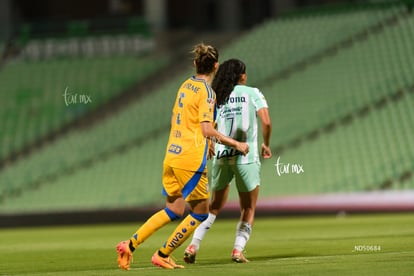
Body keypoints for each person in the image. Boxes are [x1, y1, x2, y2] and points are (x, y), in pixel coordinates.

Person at [116, 45, 249, 270]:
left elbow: (178, 118)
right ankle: (163, 253)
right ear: (216, 66)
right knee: (201, 212)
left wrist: (205, 141)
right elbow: (207, 129)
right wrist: (237, 143)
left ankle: (129, 244)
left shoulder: (185, 86)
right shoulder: (208, 93)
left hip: (171, 155)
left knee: (173, 210)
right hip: (190, 159)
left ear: (195, 64)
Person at [183, 58, 272, 264]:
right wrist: (266, 144)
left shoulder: (217, 97)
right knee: (248, 208)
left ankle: (193, 245)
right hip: (245, 157)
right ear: (242, 76)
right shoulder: (252, 93)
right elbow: (266, 122)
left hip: (222, 157)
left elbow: (208, 126)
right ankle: (237, 250)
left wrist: (212, 143)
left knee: (213, 206)